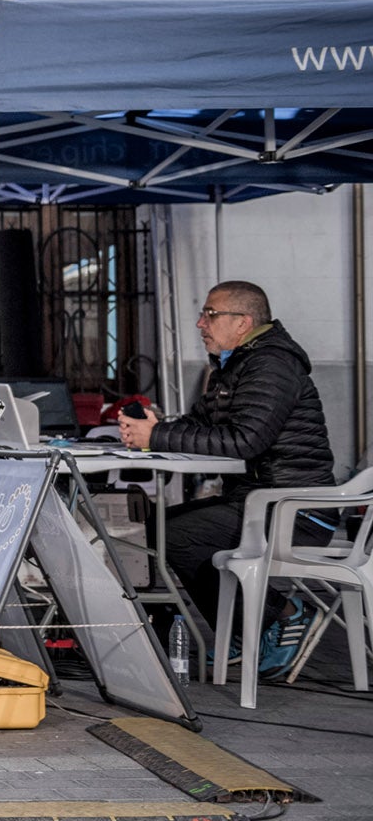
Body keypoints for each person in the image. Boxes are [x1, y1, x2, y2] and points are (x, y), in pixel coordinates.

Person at [118, 280, 338, 676]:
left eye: (210, 314)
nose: (200, 323)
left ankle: (283, 616)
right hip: (260, 501)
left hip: (294, 511)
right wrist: (156, 429)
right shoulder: (236, 363)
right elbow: (203, 424)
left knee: (176, 537)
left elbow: (245, 440)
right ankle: (244, 631)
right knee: (163, 532)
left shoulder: (271, 364)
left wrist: (158, 437)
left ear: (243, 321)